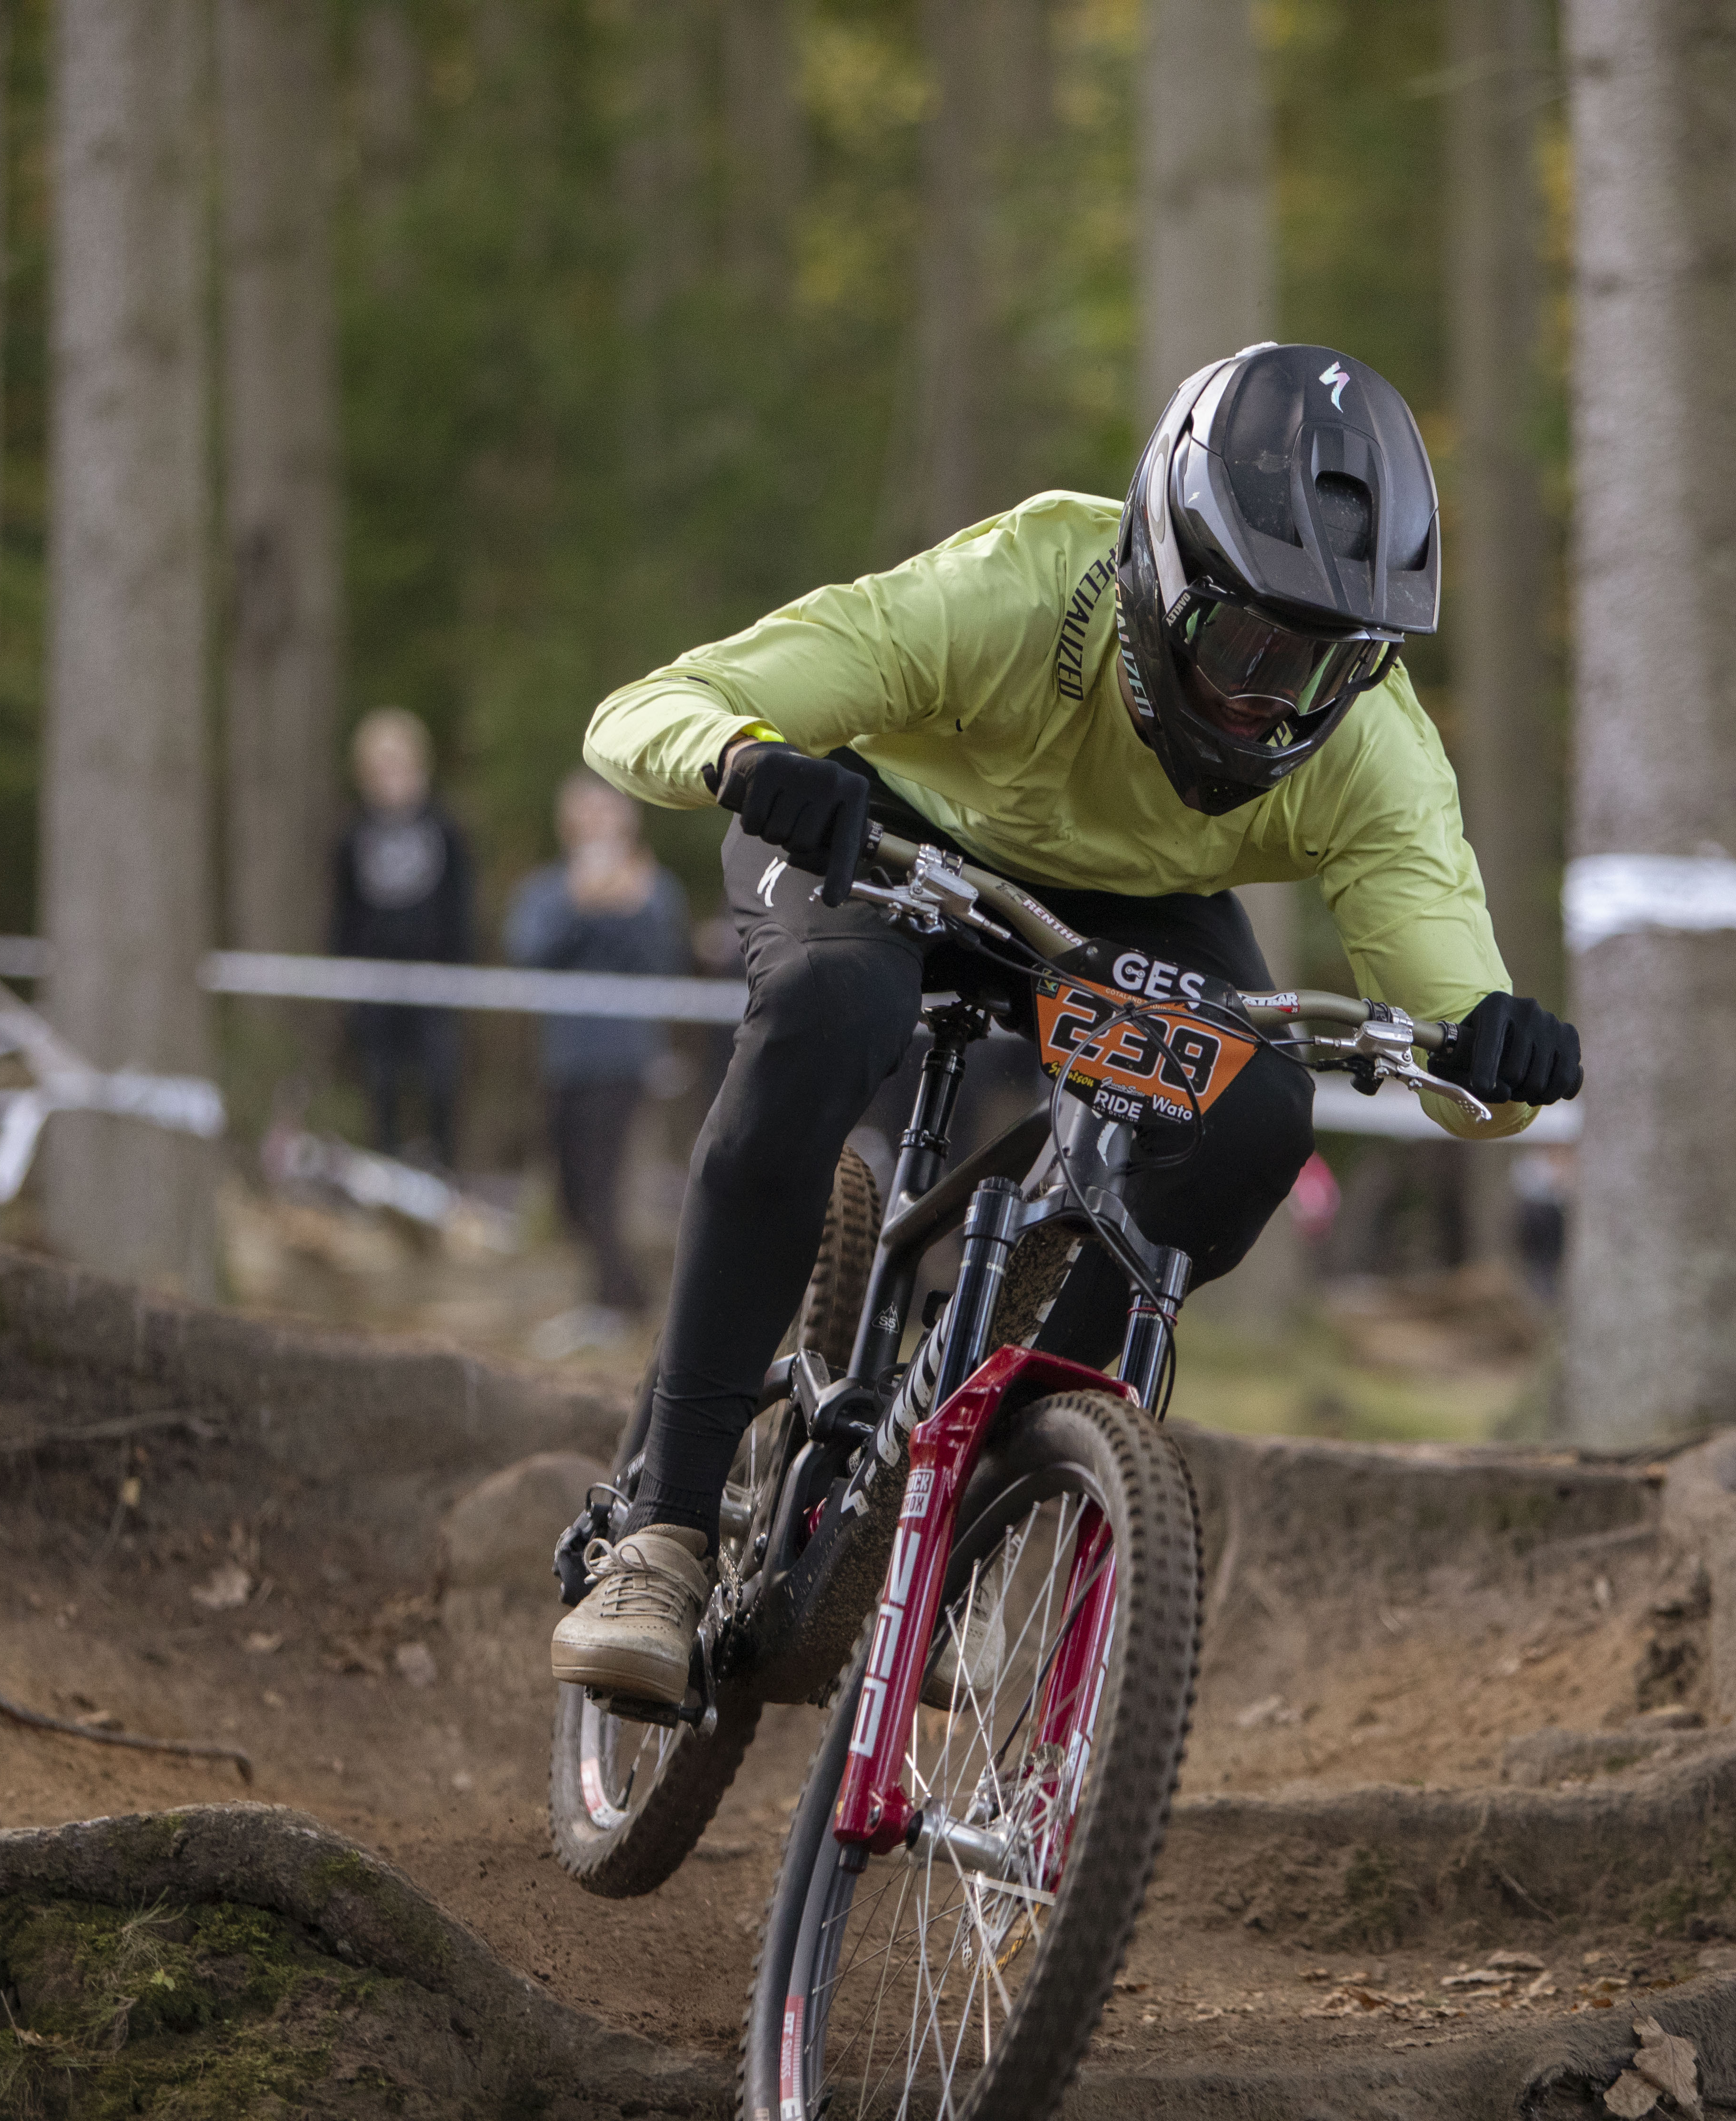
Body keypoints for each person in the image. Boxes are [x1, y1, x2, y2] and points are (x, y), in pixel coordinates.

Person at [550, 343, 1585, 1702]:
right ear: (1161, 577)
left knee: (1253, 1119)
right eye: (1246, 643)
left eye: (1330, 661)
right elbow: (645, 711)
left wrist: (1500, 1057)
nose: (1275, 698)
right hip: (891, 830)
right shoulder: (1016, 589)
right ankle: (664, 1535)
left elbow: (1457, 1031)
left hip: (1132, 907)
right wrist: (749, 762)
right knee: (832, 1003)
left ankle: (969, 1507)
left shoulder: (1370, 747)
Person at [503, 771, 688, 1328]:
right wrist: (581, 905)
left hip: (627, 1060)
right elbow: (528, 949)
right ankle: (628, 1296)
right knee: (571, 1192)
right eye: (585, 814)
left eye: (607, 813)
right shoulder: (547, 890)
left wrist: (630, 906)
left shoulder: (655, 890)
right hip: (564, 1060)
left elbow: (666, 959)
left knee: (608, 1185)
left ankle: (614, 1300)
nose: (596, 826)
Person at [328, 708, 474, 1168]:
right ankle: (386, 1175)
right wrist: (347, 972)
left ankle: (445, 1173)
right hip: (375, 981)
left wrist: (457, 970)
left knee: (440, 1080)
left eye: (398, 763)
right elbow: (345, 911)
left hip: (435, 980)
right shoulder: (353, 835)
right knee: (380, 1081)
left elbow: (459, 905)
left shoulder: (445, 829)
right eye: (379, 766)